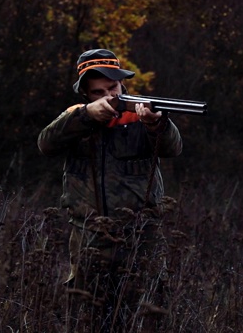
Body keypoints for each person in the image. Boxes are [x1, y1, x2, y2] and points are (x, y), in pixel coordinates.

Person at [38, 48, 182, 332]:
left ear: (122, 84)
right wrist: (86, 117)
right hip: (88, 236)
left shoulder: (141, 114)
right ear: (86, 94)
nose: (109, 96)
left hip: (140, 237)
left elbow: (174, 147)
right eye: (98, 91)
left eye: (113, 87)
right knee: (88, 318)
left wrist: (156, 124)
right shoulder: (75, 119)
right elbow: (45, 143)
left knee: (143, 316)